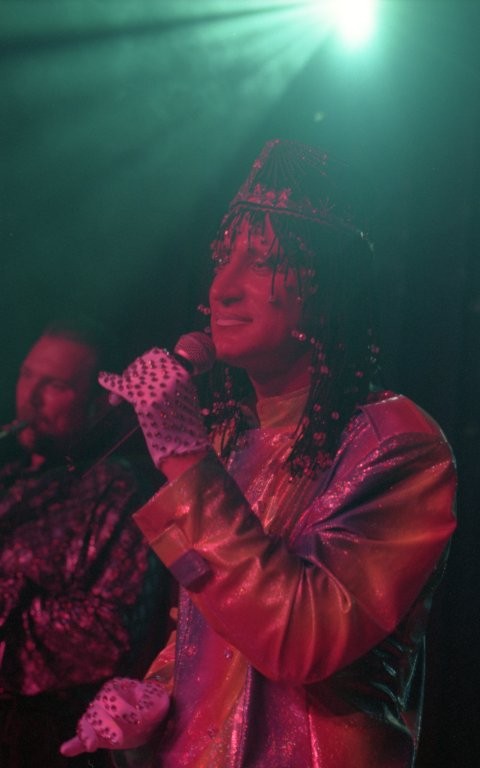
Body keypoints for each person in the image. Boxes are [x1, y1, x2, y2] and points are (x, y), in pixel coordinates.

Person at [60, 140, 457, 767]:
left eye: (264, 261)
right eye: (224, 259)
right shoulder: (229, 438)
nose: (221, 289)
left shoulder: (398, 444)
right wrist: (154, 696)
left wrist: (183, 458)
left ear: (330, 288)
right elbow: (207, 632)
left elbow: (302, 640)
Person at [0, 319, 170, 768]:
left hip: (46, 739)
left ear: (99, 404)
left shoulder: (119, 486)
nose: (31, 397)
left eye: (55, 385)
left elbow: (112, 634)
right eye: (27, 376)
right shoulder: (13, 477)